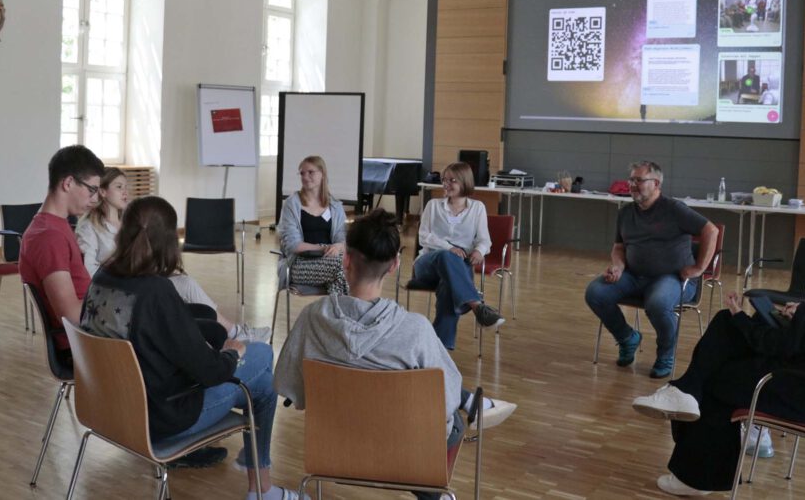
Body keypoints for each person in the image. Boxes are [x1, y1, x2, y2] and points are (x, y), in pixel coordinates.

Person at [631, 214, 805, 496]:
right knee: (728, 333)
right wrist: (798, 316)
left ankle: (695, 472)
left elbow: (781, 346)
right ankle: (684, 398)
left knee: (719, 375)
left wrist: (742, 318)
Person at [274, 208, 517, 500]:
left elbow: (288, 385)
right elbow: (447, 399)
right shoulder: (415, 329)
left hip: (334, 449)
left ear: (346, 259)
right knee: (454, 421)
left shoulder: (312, 319)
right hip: (402, 451)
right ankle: (433, 493)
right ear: (394, 266)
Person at [80, 196, 299, 500]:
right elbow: (209, 372)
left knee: (259, 382)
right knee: (261, 358)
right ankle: (262, 490)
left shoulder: (101, 278)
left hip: (110, 409)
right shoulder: (156, 292)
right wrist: (233, 352)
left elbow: (148, 334)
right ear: (169, 241)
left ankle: (261, 488)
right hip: (162, 418)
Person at [76, 167, 270, 343]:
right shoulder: (89, 227)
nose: (125, 192)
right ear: (102, 191)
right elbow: (89, 271)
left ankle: (228, 332)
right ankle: (231, 333)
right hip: (123, 286)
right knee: (184, 286)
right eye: (119, 187)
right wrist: (120, 264)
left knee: (185, 283)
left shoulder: (129, 221)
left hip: (142, 278)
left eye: (126, 187)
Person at [585, 161, 718, 379]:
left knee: (657, 303)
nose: (632, 185)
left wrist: (699, 268)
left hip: (672, 278)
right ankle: (628, 338)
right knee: (595, 293)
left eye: (639, 180)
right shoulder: (626, 212)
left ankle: (666, 353)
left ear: (656, 183)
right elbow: (619, 248)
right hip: (635, 276)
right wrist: (617, 267)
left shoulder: (674, 209)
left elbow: (710, 231)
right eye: (631, 180)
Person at [20, 145, 105, 348]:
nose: (94, 200)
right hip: (88, 344)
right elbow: (70, 316)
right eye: (91, 190)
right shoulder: (49, 236)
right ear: (68, 183)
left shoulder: (57, 226)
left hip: (95, 331)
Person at [413, 162, 505, 350]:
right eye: (444, 180)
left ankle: (440, 348)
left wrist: (479, 251)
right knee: (447, 256)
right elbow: (423, 236)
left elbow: (484, 240)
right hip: (427, 264)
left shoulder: (477, 208)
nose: (446, 184)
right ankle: (477, 306)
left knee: (448, 288)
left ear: (464, 182)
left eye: (451, 180)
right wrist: (448, 248)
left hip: (457, 270)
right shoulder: (433, 205)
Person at [277, 156, 349, 296]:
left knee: (344, 269)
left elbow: (343, 239)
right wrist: (324, 248)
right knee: (344, 268)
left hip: (330, 261)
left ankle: (333, 313)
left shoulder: (335, 206)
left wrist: (338, 247)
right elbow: (293, 245)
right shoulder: (292, 204)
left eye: (311, 172)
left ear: (322, 174)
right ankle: (341, 314)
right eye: (302, 173)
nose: (305, 176)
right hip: (299, 264)